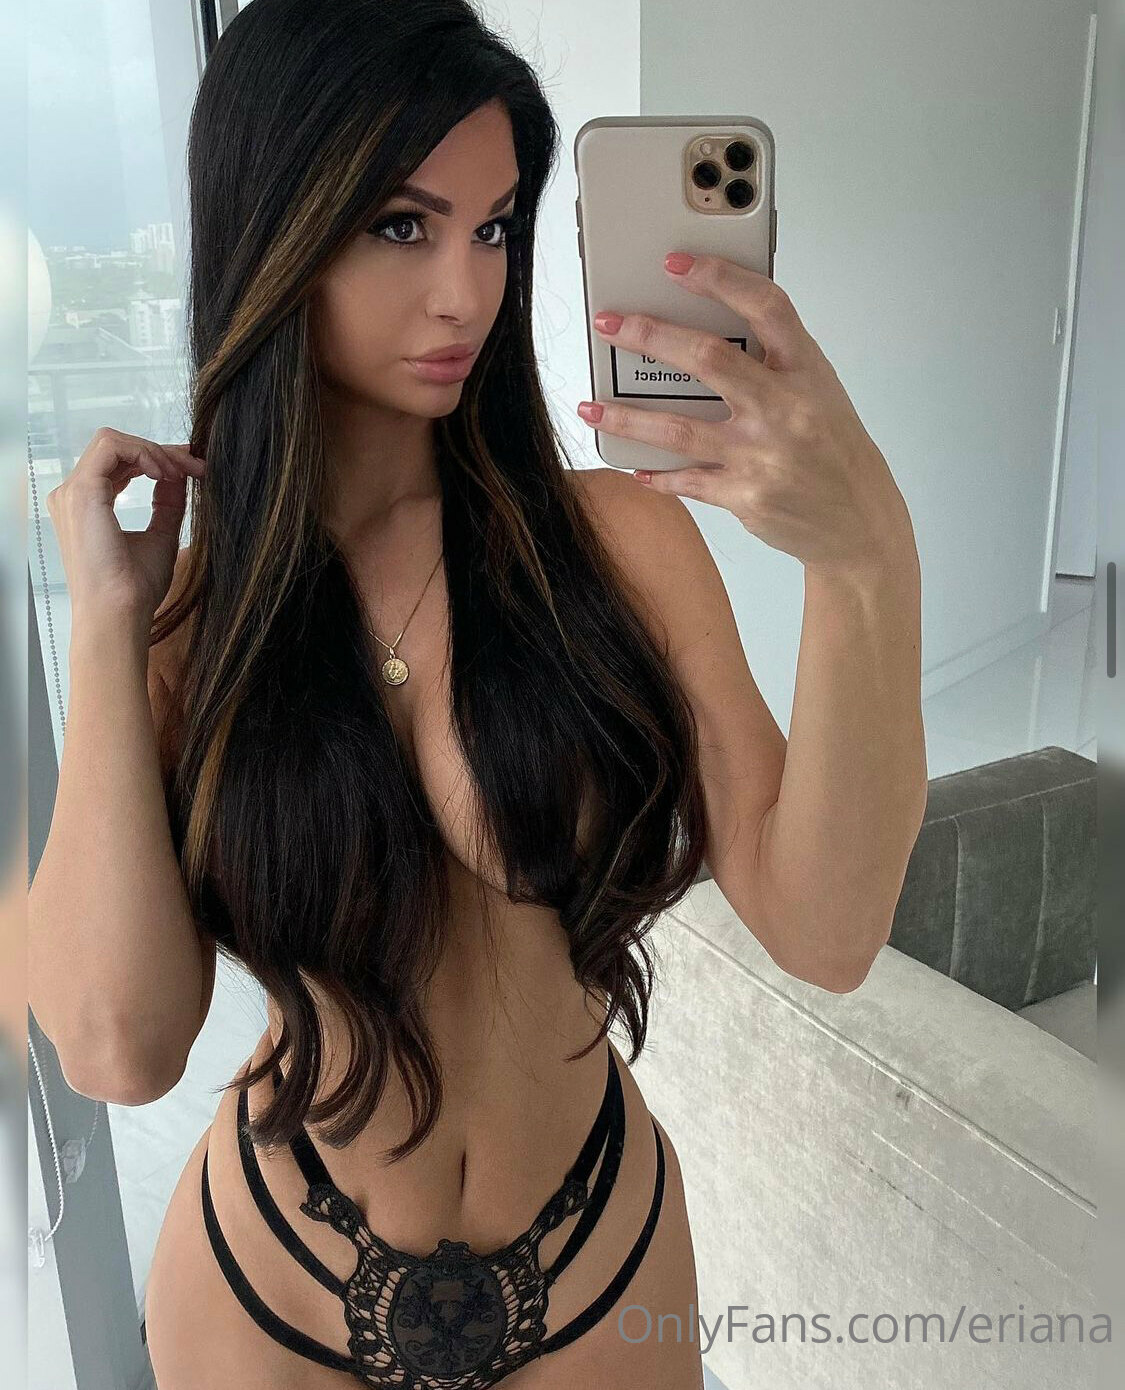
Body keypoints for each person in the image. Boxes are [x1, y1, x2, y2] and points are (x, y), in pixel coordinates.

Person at [28, 2, 927, 1386]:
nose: (466, 292)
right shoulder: (192, 624)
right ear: (273, 230)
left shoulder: (615, 544)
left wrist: (864, 562)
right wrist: (104, 624)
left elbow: (826, 931)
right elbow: (116, 1048)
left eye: (495, 227)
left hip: (598, 1264)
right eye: (403, 225)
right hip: (271, 1291)